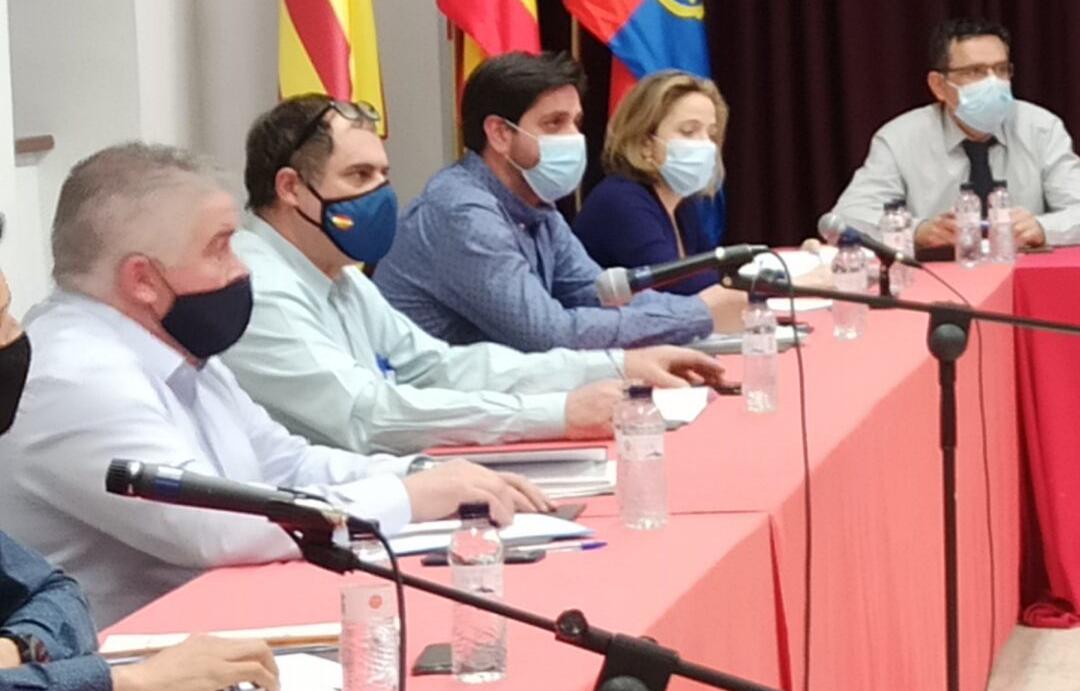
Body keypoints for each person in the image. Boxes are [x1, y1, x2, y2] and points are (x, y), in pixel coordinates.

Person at [0, 143, 547, 620]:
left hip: (224, 633)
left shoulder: (169, 343)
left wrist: (426, 475)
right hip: (124, 675)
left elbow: (284, 462)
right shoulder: (73, 375)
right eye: (220, 247)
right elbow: (216, 529)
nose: (242, 269)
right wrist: (404, 497)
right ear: (142, 279)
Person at [227, 96, 723, 453]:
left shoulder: (342, 277)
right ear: (290, 188)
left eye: (383, 175)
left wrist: (616, 366)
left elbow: (440, 367)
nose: (380, 194)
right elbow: (367, 415)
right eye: (359, 176)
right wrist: (558, 413)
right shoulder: (259, 289)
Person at [0, 247, 284, 691]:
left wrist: (20, 648)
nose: (14, 336)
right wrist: (127, 685)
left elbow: (58, 594)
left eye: (7, 311)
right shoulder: (75, 374)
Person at [378, 54, 744, 350]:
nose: (574, 137)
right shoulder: (462, 212)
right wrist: (699, 313)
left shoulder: (537, 206)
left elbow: (598, 293)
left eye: (576, 122)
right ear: (500, 134)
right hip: (433, 401)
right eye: (554, 123)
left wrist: (701, 310)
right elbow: (548, 335)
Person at [827, 19, 1080, 251]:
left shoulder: (1041, 127)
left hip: (1023, 274)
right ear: (938, 85)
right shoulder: (899, 138)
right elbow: (846, 218)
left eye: (1001, 70)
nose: (993, 83)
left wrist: (1041, 228)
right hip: (939, 282)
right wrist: (919, 231)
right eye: (975, 72)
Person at [576, 72, 733, 289]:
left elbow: (713, 271)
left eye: (711, 134)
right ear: (645, 144)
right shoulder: (620, 200)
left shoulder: (683, 205)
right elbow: (678, 287)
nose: (706, 145)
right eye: (689, 131)